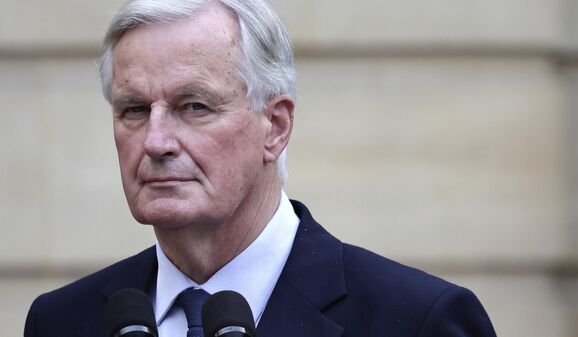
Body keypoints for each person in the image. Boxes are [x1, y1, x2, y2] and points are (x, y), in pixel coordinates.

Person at [24, 0, 497, 336]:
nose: (156, 142)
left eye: (194, 106)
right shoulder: (61, 320)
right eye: (133, 110)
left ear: (275, 126)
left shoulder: (417, 319)